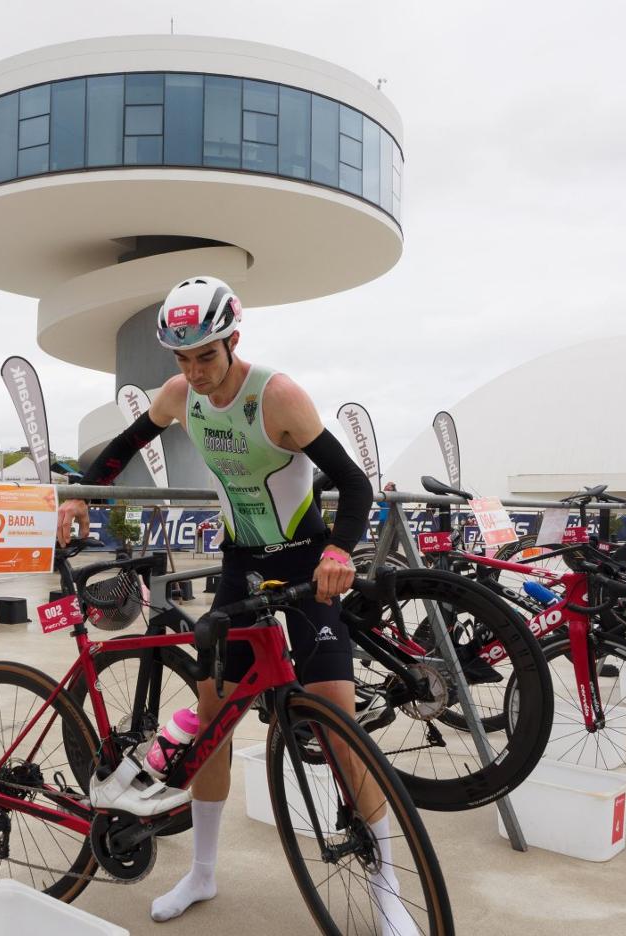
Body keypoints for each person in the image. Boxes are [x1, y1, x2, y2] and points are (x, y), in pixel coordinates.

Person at [58, 276, 409, 926]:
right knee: (213, 721)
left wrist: (338, 552)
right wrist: (82, 490)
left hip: (304, 561)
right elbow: (128, 445)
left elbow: (355, 487)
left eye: (205, 357)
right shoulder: (178, 395)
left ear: (232, 341)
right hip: (241, 565)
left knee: (341, 728)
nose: (193, 372)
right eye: (181, 359)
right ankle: (202, 873)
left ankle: (387, 892)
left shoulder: (277, 396)